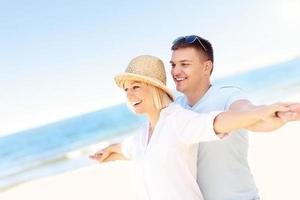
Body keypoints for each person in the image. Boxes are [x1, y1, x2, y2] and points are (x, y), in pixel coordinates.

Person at [90, 55, 299, 200]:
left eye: (136, 87)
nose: (129, 94)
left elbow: (215, 123)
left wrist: (259, 112)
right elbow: (127, 149)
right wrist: (107, 152)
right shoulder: (143, 135)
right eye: (126, 90)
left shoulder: (177, 121)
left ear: (154, 89)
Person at [170, 35, 300, 200]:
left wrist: (268, 113)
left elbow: (248, 113)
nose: (175, 71)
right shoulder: (174, 109)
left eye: (184, 64)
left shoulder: (227, 95)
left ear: (206, 67)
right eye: (173, 65)